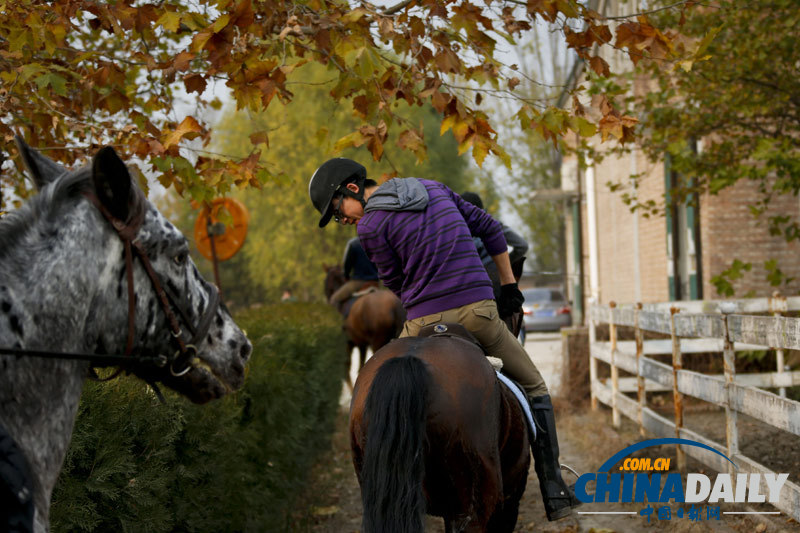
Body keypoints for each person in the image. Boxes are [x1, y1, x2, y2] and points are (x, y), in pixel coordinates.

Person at [308, 158, 580, 521]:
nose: (344, 221)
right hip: (479, 314)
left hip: (421, 321)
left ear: (353, 189)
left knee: (372, 387)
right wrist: (510, 287)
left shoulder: (370, 227)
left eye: (338, 211)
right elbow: (491, 230)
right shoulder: (433, 187)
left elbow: (396, 284)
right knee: (534, 387)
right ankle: (553, 487)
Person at [328, 236, 380, 313]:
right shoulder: (377, 243)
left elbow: (347, 264)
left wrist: (346, 276)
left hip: (359, 281)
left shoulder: (353, 243)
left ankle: (340, 322)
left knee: (334, 299)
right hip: (375, 282)